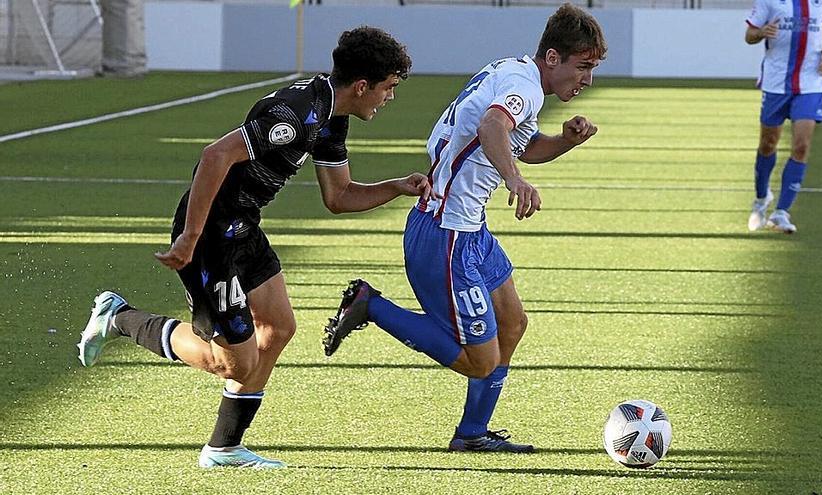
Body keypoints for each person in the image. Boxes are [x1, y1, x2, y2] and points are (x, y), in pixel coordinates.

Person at [77, 27, 432, 468]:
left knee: (279, 328)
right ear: (362, 86)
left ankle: (224, 449)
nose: (389, 98)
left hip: (242, 227)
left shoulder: (331, 117)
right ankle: (120, 318)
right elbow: (215, 156)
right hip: (209, 236)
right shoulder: (297, 113)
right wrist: (190, 236)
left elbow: (339, 198)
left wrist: (396, 186)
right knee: (232, 364)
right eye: (388, 88)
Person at [322, 4, 606, 453]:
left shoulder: (515, 73)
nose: (587, 79)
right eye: (583, 67)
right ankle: (370, 306)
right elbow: (494, 125)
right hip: (445, 233)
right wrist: (513, 179)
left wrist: (565, 142)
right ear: (553, 58)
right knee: (480, 360)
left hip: (468, 230)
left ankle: (472, 432)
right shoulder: (522, 87)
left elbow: (521, 143)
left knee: (512, 324)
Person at [745, 0, 822, 233]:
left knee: (801, 146)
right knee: (768, 144)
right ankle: (761, 198)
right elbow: (749, 35)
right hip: (776, 82)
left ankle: (781, 212)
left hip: (811, 81)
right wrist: (762, 32)